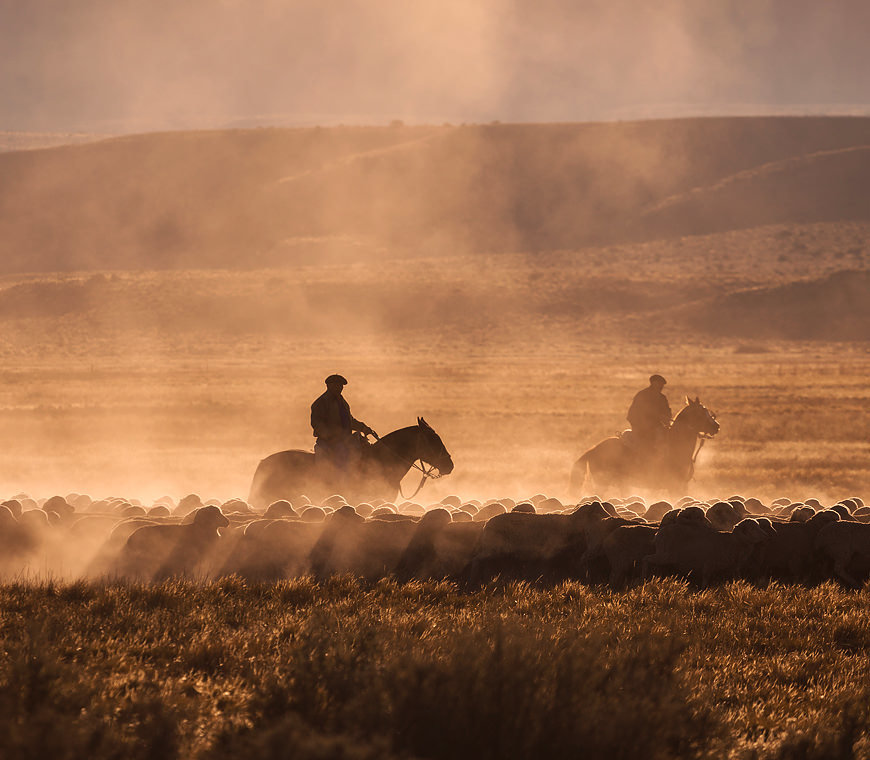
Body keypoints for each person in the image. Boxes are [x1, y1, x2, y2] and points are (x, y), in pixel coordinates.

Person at [310, 374, 378, 471]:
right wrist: (333, 436)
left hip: (343, 440)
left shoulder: (342, 402)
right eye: (337, 385)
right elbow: (317, 424)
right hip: (329, 443)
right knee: (345, 457)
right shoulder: (320, 403)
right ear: (329, 386)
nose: (340, 388)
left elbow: (350, 421)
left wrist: (363, 427)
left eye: (341, 386)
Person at [626, 374, 672, 457]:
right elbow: (636, 413)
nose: (661, 387)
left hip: (655, 427)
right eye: (660, 384)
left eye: (662, 385)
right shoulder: (642, 395)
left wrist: (667, 418)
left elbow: (667, 412)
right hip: (640, 426)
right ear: (653, 383)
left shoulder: (662, 398)